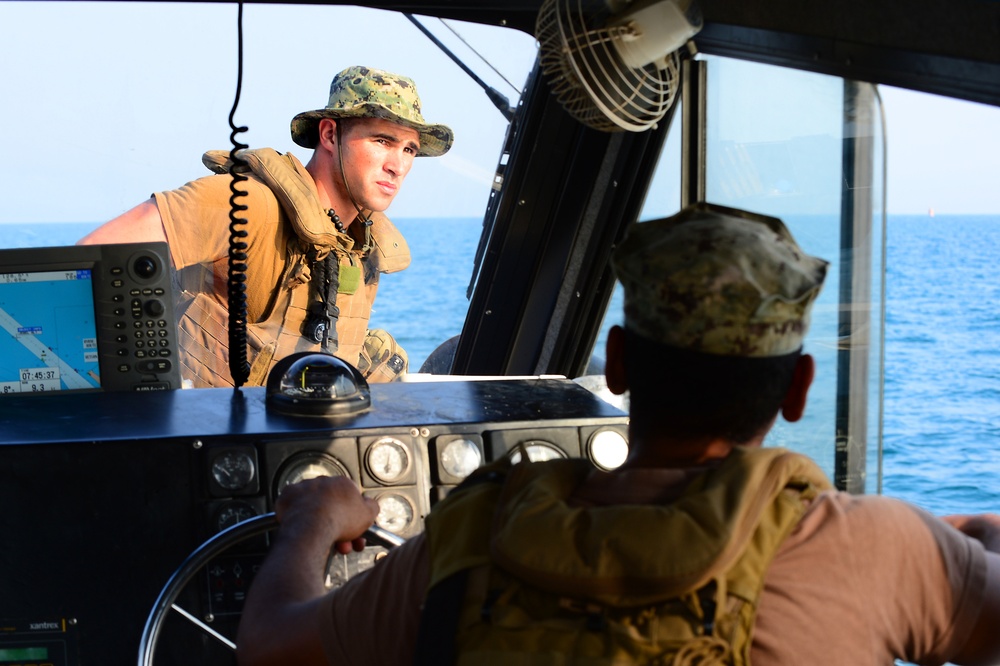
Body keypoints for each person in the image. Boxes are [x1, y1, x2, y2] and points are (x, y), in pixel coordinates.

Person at [235, 203, 1000, 665]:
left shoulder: (476, 533)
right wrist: (942, 539)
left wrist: (311, 525)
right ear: (797, 389)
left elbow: (271, 650)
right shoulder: (880, 550)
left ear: (623, 364)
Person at [79, 65, 453, 388]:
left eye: (409, 149)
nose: (398, 165)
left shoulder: (359, 246)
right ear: (329, 135)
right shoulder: (246, 203)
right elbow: (85, 263)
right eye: (382, 141)